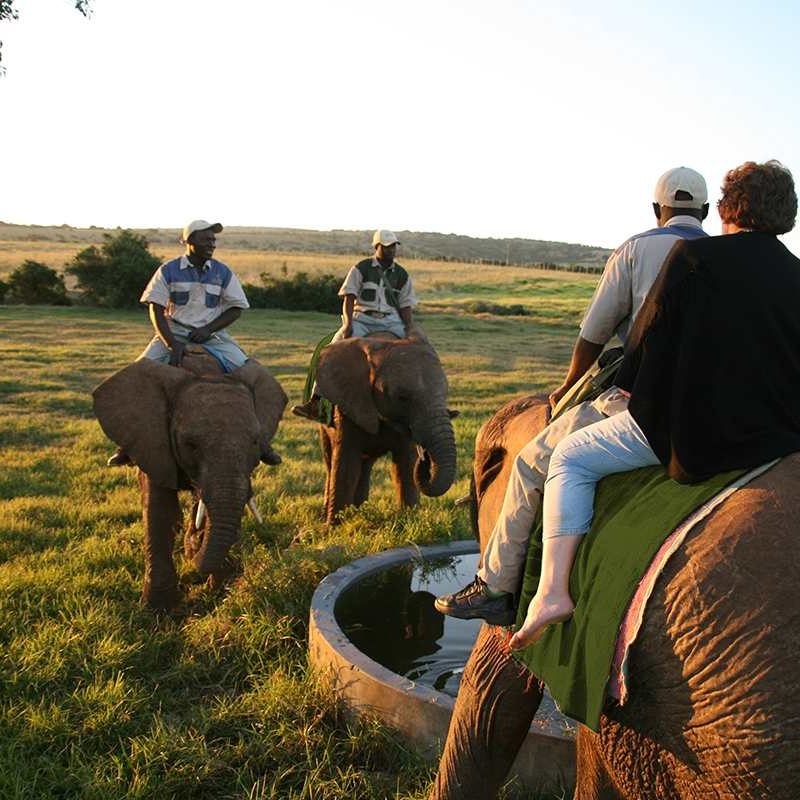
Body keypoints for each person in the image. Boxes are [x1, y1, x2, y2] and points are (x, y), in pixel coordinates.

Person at [509, 159, 800, 650]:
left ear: (727, 209)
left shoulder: (694, 258)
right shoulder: (795, 274)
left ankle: (552, 592)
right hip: (773, 432)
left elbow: (648, 336)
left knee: (569, 458)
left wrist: (629, 386)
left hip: (698, 433)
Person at [436, 167, 710, 625]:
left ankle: (498, 586)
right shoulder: (724, 255)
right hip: (713, 400)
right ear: (704, 211)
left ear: (656, 210)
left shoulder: (636, 249)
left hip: (640, 393)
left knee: (532, 461)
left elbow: (595, 333)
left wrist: (569, 383)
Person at [107, 219, 281, 466]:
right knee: (136, 375)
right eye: (205, 239)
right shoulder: (168, 270)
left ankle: (262, 441)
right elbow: (155, 309)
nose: (212, 244)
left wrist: (208, 329)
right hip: (174, 332)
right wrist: (171, 344)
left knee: (253, 374)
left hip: (213, 336)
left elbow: (236, 309)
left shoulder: (223, 272)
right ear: (189, 241)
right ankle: (127, 445)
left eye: (213, 240)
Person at [292, 229, 418, 420]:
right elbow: (349, 297)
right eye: (386, 247)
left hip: (391, 320)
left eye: (393, 246)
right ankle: (316, 401)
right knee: (333, 348)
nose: (391, 250)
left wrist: (409, 327)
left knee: (418, 351)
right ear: (377, 247)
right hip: (363, 318)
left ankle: (425, 405)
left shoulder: (401, 274)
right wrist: (348, 322)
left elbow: (406, 304)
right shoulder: (361, 268)